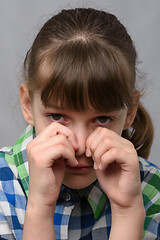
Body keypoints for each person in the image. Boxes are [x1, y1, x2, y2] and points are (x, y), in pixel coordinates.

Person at [0, 8, 159, 240]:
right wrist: (40, 208)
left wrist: (127, 211)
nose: (80, 145)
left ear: (130, 111)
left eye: (102, 119)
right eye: (57, 116)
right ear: (27, 104)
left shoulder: (151, 192)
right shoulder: (4, 189)